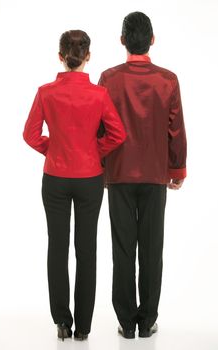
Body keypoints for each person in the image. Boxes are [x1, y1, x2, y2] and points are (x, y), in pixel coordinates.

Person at [23, 29, 126, 341]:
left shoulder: (45, 92)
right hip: (90, 179)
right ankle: (83, 326)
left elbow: (30, 134)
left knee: (57, 248)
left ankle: (62, 322)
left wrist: (52, 149)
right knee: (86, 250)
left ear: (60, 57)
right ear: (88, 57)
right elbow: (117, 134)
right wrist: (94, 151)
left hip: (54, 178)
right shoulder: (99, 94)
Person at [98, 12, 187, 339]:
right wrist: (177, 168)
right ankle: (147, 321)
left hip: (118, 174)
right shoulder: (168, 80)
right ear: (152, 39)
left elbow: (99, 128)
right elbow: (175, 129)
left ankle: (126, 321)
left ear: (123, 40)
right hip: (154, 175)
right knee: (152, 248)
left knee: (123, 249)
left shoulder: (108, 79)